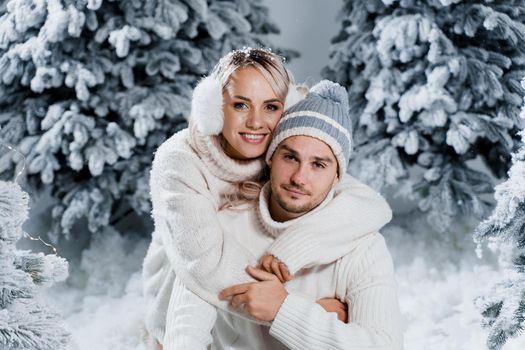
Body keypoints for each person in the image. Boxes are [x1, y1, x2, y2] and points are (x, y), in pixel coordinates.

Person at [142, 48, 393, 349]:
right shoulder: (182, 163)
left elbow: (368, 204)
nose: (256, 123)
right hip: (185, 269)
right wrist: (299, 310)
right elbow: (202, 268)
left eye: (271, 107)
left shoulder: (285, 145)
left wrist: (287, 294)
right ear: (214, 107)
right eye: (240, 105)